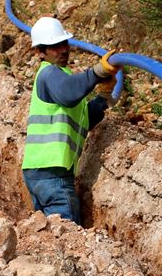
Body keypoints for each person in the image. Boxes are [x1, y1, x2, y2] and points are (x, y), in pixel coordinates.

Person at [21, 16, 119, 225]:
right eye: (54, 46)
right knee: (66, 231)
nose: (63, 49)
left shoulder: (62, 78)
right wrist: (96, 73)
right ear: (40, 52)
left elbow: (84, 120)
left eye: (64, 43)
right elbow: (68, 92)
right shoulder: (49, 74)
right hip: (52, 173)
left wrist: (103, 95)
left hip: (43, 171)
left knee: (50, 231)